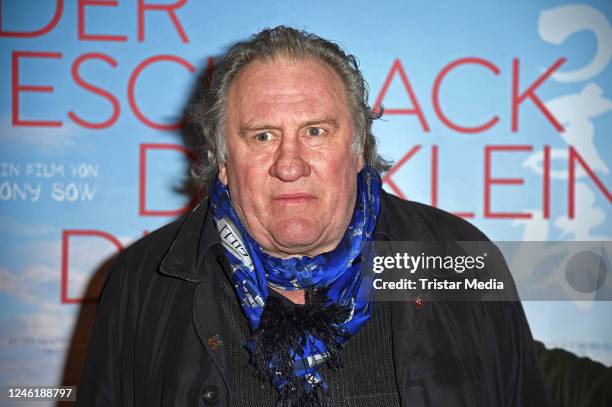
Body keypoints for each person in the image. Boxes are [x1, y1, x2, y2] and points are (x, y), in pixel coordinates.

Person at [77, 26, 551, 406]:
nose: (289, 164)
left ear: (358, 147)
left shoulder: (454, 257)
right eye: (262, 136)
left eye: (315, 131)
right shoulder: (147, 281)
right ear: (223, 160)